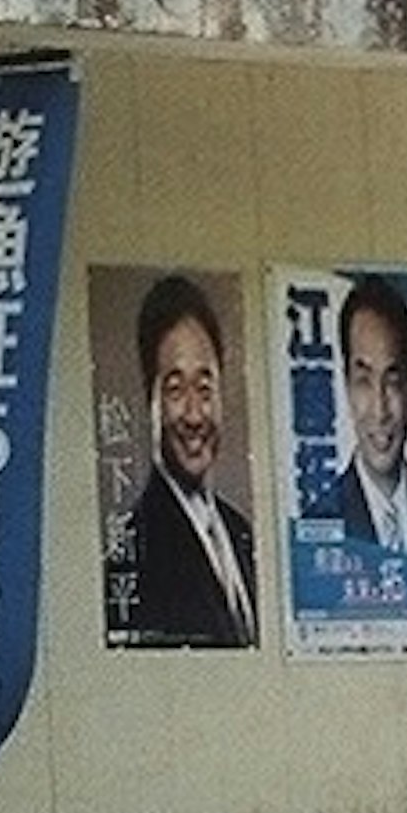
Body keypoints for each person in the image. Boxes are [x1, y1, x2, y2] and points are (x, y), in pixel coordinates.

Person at [119, 270, 258, 646]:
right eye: (176, 390)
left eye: (205, 387)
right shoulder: (137, 547)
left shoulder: (241, 532)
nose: (195, 415)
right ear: (150, 401)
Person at [320, 271, 407, 594]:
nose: (380, 409)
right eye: (364, 381)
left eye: (393, 380)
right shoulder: (320, 520)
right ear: (345, 385)